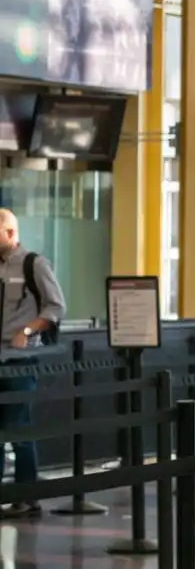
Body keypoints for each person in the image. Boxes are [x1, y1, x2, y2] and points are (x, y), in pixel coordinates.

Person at [0, 209, 67, 518]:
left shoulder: (33, 264)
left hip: (21, 360)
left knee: (17, 425)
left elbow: (56, 307)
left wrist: (26, 331)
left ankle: (27, 497)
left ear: (10, 233)